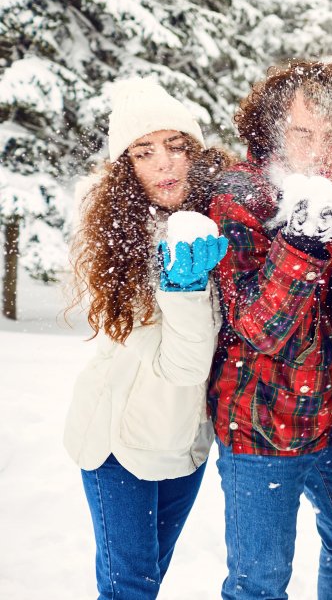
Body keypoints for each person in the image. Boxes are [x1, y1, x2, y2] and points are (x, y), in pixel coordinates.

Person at [207, 59, 332, 600]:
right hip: (259, 426)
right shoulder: (242, 198)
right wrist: (302, 241)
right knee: (260, 582)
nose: (322, 153)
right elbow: (259, 328)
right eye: (304, 133)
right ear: (274, 132)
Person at [64, 77, 232, 599]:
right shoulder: (116, 243)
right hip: (120, 444)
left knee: (146, 580)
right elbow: (182, 365)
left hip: (186, 442)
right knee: (130, 588)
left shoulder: (220, 221)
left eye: (176, 146)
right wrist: (184, 288)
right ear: (126, 167)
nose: (165, 163)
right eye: (144, 152)